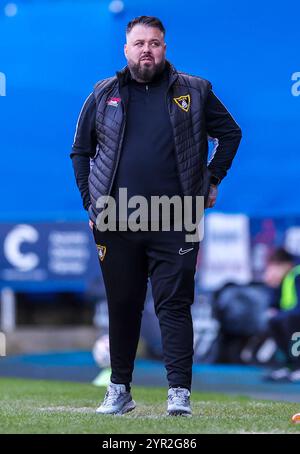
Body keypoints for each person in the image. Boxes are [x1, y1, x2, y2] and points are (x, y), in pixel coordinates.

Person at [70, 16, 242, 416]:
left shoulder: (195, 91)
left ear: (165, 48)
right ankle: (119, 390)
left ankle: (178, 393)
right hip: (115, 216)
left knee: (174, 305)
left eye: (155, 43)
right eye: (139, 43)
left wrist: (212, 178)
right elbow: (80, 151)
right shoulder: (103, 93)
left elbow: (230, 134)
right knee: (123, 305)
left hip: (177, 215)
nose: (147, 49)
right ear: (126, 49)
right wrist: (90, 202)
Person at [263, 248, 300, 382]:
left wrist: (283, 315)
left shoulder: (297, 274)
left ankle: (298, 366)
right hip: (291, 316)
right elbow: (275, 304)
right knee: (273, 320)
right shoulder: (285, 278)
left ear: (286, 264)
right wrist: (273, 286)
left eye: (276, 266)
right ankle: (286, 364)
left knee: (292, 320)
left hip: (295, 317)